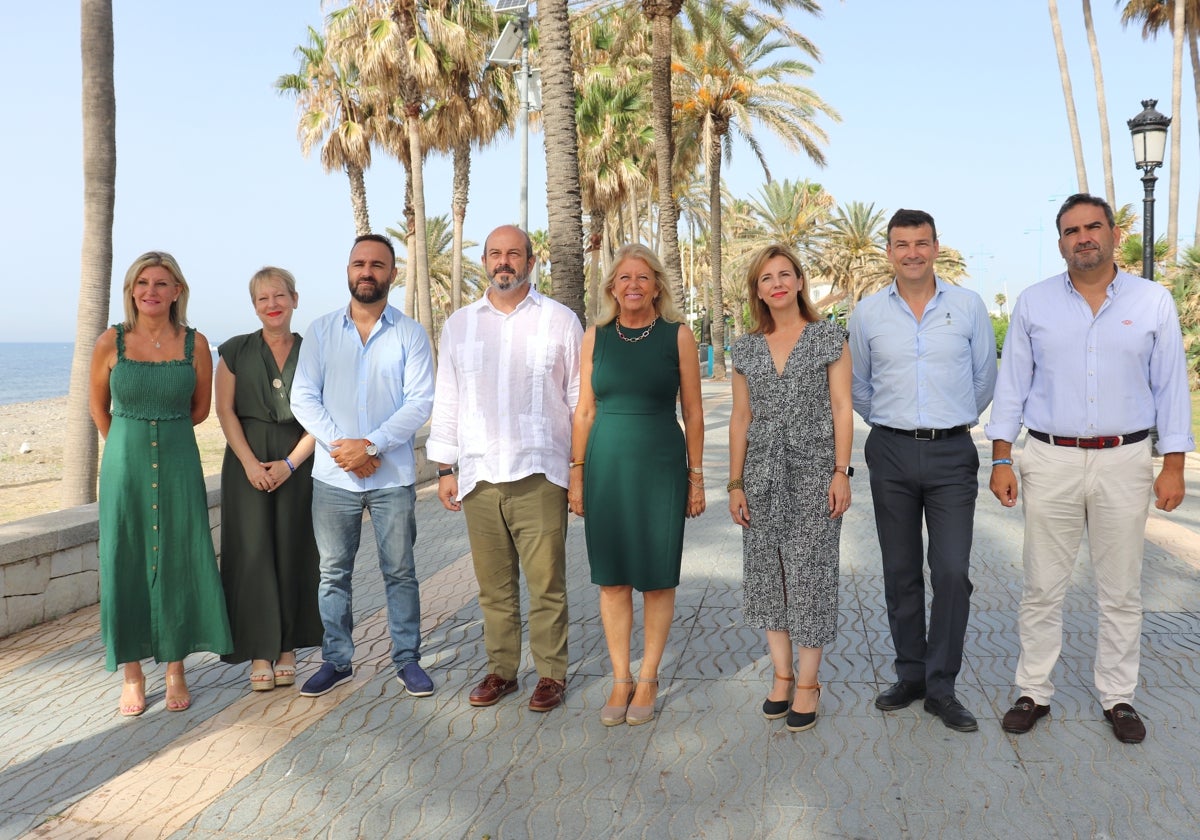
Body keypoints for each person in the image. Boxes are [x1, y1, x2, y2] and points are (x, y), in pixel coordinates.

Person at [987, 193, 1193, 744]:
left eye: (1093, 227)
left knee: (1121, 588)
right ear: (1060, 242)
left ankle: (1118, 697)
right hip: (1049, 458)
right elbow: (1013, 388)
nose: (1084, 237)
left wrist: (1172, 464)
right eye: (1072, 230)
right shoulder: (1034, 303)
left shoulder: (1152, 302)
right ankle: (1033, 691)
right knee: (1042, 585)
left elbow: (1171, 386)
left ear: (1112, 235)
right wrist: (1002, 457)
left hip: (1125, 459)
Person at [848, 208, 996, 733]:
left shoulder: (969, 306)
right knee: (900, 570)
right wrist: (892, 426)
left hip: (953, 452)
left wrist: (947, 422)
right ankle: (910, 674)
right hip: (888, 450)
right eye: (901, 243)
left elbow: (984, 381)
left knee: (952, 571)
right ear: (888, 251)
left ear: (936, 247)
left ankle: (942, 685)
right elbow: (859, 388)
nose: (912, 252)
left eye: (921, 242)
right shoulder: (866, 314)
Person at [427, 225, 582, 713]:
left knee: (546, 586)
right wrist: (443, 467)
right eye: (495, 253)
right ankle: (502, 671)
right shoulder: (459, 325)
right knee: (493, 589)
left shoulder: (559, 320)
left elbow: (579, 398)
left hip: (540, 471)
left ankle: (551, 675)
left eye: (514, 253)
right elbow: (447, 397)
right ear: (485, 262)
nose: (504, 262)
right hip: (477, 475)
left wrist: (579, 467)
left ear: (531, 262)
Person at [290, 234, 435, 698]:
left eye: (377, 264)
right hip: (334, 477)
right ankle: (337, 661)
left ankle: (407, 660)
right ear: (348, 270)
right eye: (359, 263)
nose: (367, 271)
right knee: (333, 573)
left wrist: (370, 446)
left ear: (393, 273)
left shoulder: (410, 334)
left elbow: (420, 402)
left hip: (391, 477)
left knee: (400, 571)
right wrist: (344, 448)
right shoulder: (320, 332)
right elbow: (303, 397)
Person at [88, 251, 232, 716]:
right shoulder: (110, 341)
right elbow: (97, 406)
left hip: (177, 462)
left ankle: (175, 669)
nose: (151, 290)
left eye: (161, 283)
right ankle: (131, 674)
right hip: (123, 467)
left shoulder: (196, 343)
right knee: (123, 558)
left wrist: (160, 432)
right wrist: (124, 446)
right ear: (132, 290)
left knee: (179, 558)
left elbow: (199, 410)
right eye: (143, 282)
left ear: (177, 291)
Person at [568, 243, 705, 726]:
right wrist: (577, 472)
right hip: (606, 466)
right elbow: (584, 410)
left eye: (642, 278)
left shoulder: (678, 335)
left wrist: (697, 476)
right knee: (612, 577)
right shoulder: (595, 337)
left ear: (657, 286)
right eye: (624, 278)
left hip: (661, 466)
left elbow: (692, 410)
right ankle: (620, 677)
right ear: (611, 287)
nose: (632, 286)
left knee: (656, 575)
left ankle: (648, 677)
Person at [728, 244, 852, 733]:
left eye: (785, 274)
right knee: (767, 575)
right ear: (757, 291)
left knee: (811, 575)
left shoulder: (828, 338)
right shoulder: (745, 347)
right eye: (766, 278)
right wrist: (735, 483)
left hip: (816, 471)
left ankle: (808, 682)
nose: (777, 283)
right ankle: (781, 676)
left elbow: (842, 407)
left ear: (800, 282)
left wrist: (842, 471)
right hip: (759, 475)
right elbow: (741, 417)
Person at [215, 267, 323, 691]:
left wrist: (290, 464)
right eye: (263, 298)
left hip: (299, 461)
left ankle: (287, 649)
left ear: (295, 299)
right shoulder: (235, 351)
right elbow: (224, 410)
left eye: (280, 295)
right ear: (254, 306)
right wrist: (249, 464)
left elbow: (325, 414)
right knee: (252, 554)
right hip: (246, 463)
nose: (272, 304)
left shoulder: (313, 350)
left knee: (294, 550)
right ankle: (259, 650)